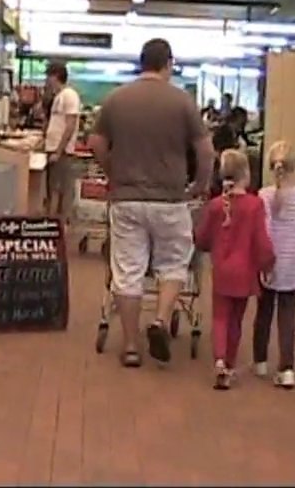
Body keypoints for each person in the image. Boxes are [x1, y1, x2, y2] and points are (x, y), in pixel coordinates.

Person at [88, 39, 214, 368]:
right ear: (168, 64)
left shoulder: (116, 99)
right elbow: (205, 151)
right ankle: (159, 319)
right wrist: (198, 186)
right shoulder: (183, 102)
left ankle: (130, 346)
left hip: (127, 198)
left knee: (128, 272)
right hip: (171, 199)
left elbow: (96, 142)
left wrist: (113, 171)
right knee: (173, 263)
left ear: (140, 63)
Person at [195, 149, 275, 390]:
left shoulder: (216, 205)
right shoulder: (255, 205)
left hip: (221, 270)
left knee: (219, 317)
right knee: (236, 321)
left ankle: (218, 360)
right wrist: (268, 263)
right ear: (246, 175)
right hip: (245, 273)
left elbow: (202, 239)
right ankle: (229, 363)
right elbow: (262, 242)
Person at [252, 140, 295, 389]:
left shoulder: (263, 195)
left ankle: (260, 361)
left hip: (270, 264)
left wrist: (262, 261)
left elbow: (264, 231)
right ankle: (286, 368)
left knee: (264, 311)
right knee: (288, 314)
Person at [43, 62, 82, 223]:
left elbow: (70, 125)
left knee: (58, 191)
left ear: (55, 76)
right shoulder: (58, 96)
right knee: (53, 189)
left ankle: (56, 227)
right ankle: (53, 225)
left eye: (48, 76)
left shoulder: (69, 95)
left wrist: (59, 151)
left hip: (62, 153)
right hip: (53, 151)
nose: (47, 80)